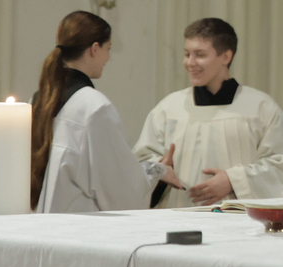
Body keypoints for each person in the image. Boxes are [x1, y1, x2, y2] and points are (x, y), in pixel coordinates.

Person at [134, 18, 283, 208]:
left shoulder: (259, 107)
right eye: (187, 54)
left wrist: (233, 181)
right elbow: (139, 163)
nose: (190, 62)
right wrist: (160, 170)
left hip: (237, 219)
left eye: (200, 55)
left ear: (226, 57)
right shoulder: (169, 108)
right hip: (178, 215)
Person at [32, 11, 183, 213]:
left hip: (46, 221)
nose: (108, 58)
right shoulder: (94, 107)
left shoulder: (39, 99)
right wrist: (158, 171)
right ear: (95, 49)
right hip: (81, 225)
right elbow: (122, 191)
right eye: (108, 49)